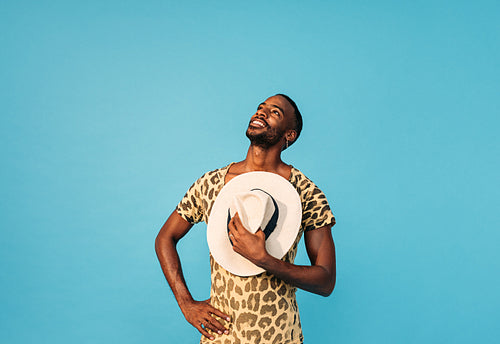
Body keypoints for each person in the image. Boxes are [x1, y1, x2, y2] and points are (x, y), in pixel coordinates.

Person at [155, 94, 336, 344]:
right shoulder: (212, 183)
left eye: (275, 112)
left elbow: (325, 281)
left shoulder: (305, 192)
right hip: (221, 337)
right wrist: (186, 304)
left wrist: (263, 259)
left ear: (289, 135)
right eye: (260, 108)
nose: (261, 112)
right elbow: (165, 237)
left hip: (280, 336)